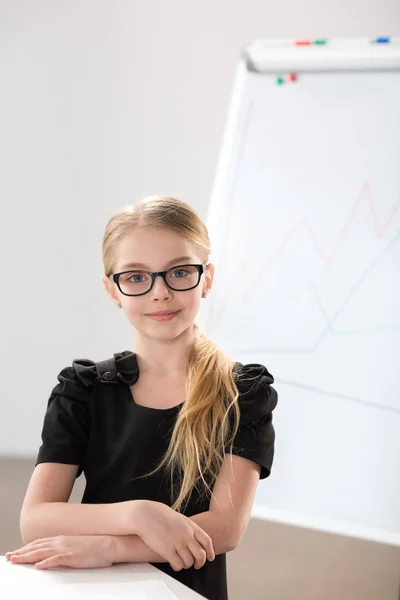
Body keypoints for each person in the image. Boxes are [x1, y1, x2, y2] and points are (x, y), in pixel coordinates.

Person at [5, 196, 278, 600]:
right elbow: (37, 519)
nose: (160, 293)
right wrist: (139, 513)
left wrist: (113, 546)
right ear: (111, 289)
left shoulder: (243, 392)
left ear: (207, 278)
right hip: (91, 589)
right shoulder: (82, 389)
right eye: (136, 278)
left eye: (179, 272)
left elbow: (223, 529)